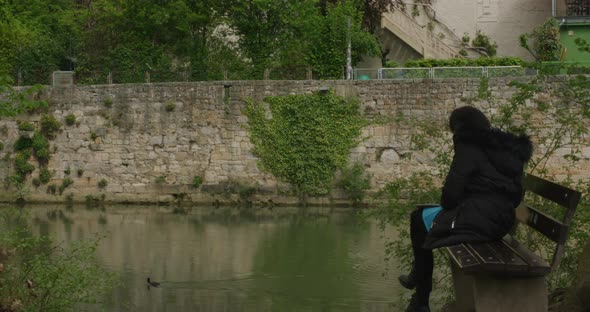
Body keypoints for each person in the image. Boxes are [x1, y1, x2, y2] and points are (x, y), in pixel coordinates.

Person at [399, 106, 533, 312]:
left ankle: (421, 299)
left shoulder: (468, 146)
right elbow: (516, 197)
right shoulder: (508, 149)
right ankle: (418, 285)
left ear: (459, 129)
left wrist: (462, 202)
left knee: (419, 219)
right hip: (501, 221)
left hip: (479, 221)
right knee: (423, 214)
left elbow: (451, 196)